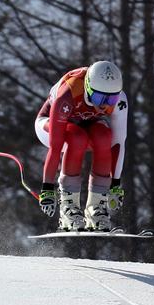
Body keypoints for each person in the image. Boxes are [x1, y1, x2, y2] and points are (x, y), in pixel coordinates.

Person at [34, 60, 128, 231]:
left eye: (111, 99)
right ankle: (68, 209)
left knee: (104, 136)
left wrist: (115, 183)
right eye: (99, 98)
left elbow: (118, 142)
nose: (104, 105)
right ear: (88, 87)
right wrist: (47, 187)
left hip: (86, 123)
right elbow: (55, 149)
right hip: (50, 126)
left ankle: (96, 209)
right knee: (76, 137)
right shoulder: (69, 93)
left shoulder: (119, 100)